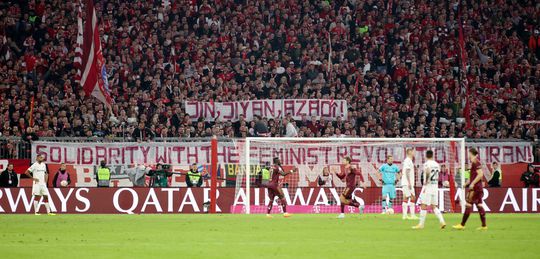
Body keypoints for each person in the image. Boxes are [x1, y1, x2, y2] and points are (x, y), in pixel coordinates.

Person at [453, 148, 488, 230]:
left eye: (468, 153)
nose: (468, 155)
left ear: (471, 153)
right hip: (478, 187)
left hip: (475, 188)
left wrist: (472, 183)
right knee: (479, 205)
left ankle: (462, 225)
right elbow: (472, 176)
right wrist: (466, 184)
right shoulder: (474, 163)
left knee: (468, 204)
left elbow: (480, 175)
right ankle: (484, 226)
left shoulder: (476, 162)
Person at [412, 150, 446, 229]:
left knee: (423, 205)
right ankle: (442, 221)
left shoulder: (427, 164)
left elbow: (427, 172)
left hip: (428, 187)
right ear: (432, 155)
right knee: (434, 206)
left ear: (426, 156)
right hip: (435, 186)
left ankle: (421, 224)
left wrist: (426, 181)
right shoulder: (437, 164)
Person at [401, 149, 417, 220]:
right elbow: (407, 171)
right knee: (412, 197)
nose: (414, 153)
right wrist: (409, 182)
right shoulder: (408, 160)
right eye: (413, 151)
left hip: (406, 182)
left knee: (407, 197)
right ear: (410, 152)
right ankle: (411, 215)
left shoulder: (408, 160)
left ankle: (405, 216)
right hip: (407, 183)